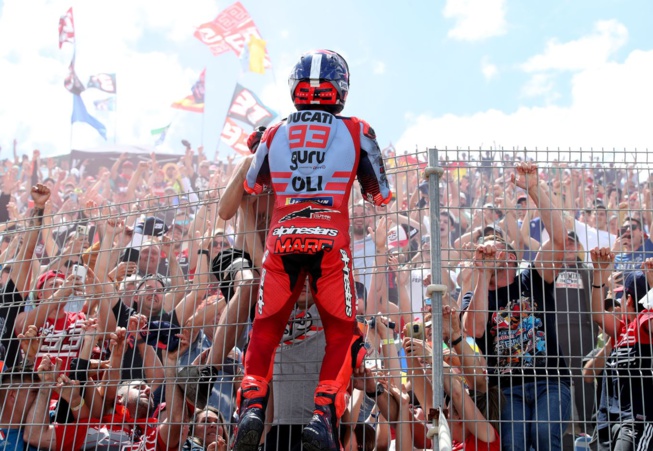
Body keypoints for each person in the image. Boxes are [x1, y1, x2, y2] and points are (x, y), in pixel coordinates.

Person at [235, 49, 392, 451]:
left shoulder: (273, 132)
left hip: (282, 239)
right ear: (340, 88)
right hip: (329, 241)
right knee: (342, 333)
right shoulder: (358, 130)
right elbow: (381, 196)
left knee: (266, 328)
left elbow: (252, 186)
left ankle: (251, 407)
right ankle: (323, 415)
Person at [462, 162, 572, 451]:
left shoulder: (532, 277)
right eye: (483, 246)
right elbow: (472, 329)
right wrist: (482, 273)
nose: (486, 248)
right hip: (508, 390)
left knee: (545, 437)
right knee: (515, 445)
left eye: (493, 245)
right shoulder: (477, 295)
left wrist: (534, 188)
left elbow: (560, 241)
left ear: (511, 257)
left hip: (549, 381)